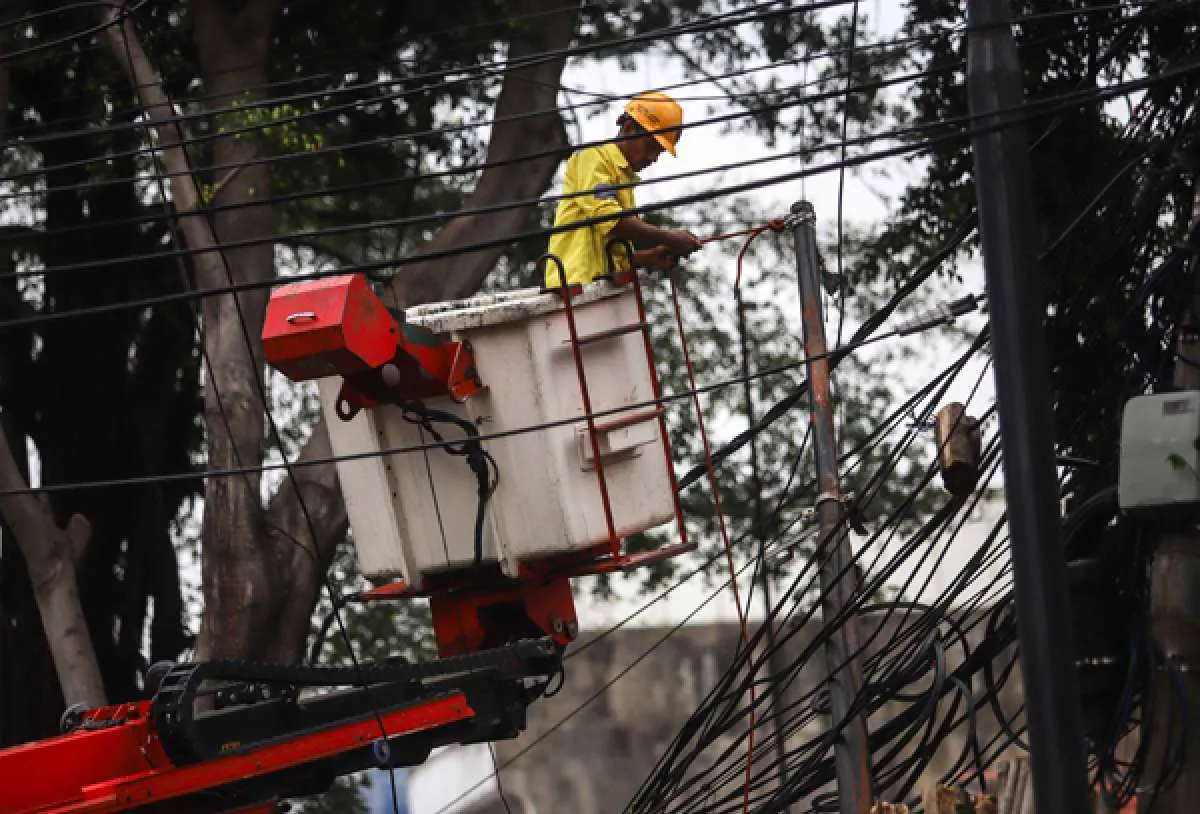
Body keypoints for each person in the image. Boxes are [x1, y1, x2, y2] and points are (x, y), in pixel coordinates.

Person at [544, 91, 703, 289]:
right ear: (628, 128)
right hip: (575, 288)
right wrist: (668, 237)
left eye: (659, 153)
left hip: (600, 289)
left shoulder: (623, 179)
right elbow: (609, 220)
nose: (653, 158)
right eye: (651, 147)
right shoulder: (593, 158)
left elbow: (614, 254)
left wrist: (650, 257)